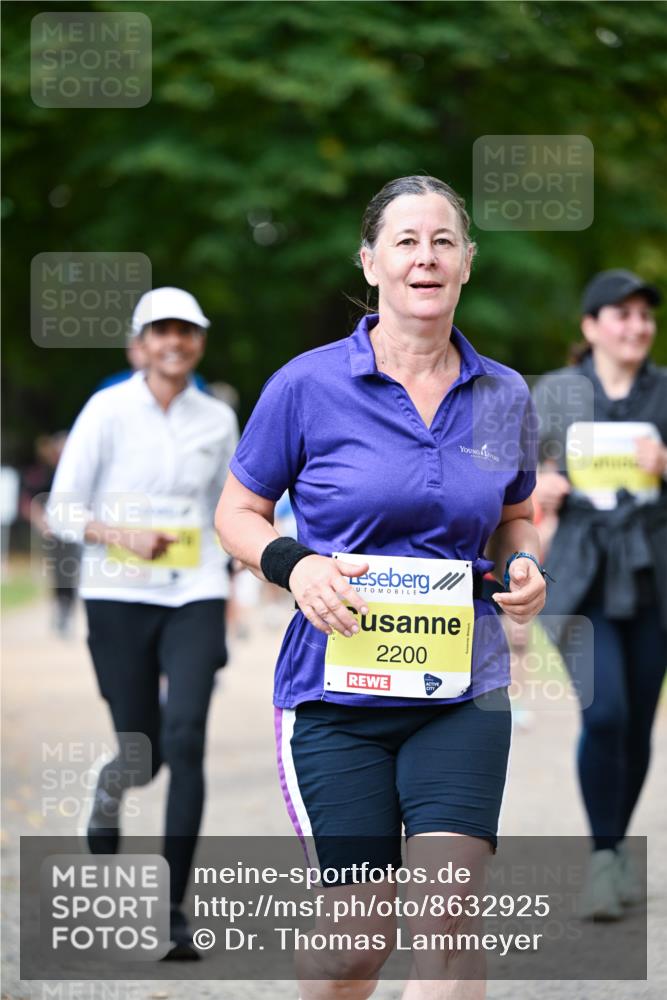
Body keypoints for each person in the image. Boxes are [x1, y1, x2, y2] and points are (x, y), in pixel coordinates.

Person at [216, 175, 546, 999]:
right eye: (405, 241)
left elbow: (516, 516)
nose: (424, 257)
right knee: (354, 947)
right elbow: (236, 512)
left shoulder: (503, 393)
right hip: (335, 698)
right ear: (370, 262)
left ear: (467, 262)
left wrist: (524, 567)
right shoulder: (305, 385)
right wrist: (299, 567)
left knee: (448, 923)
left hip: (461, 687)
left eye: (442, 241)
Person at [47, 286, 238, 958]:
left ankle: (173, 910)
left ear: (198, 343)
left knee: (186, 740)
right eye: (162, 331)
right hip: (117, 595)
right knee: (143, 750)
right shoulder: (107, 410)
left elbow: (228, 512)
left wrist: (232, 588)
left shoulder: (216, 420)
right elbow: (60, 509)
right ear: (140, 342)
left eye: (187, 332)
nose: (175, 342)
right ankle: (110, 788)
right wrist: (118, 535)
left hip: (195, 591)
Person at [533, 269, 666, 921]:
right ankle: (600, 855)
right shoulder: (555, 394)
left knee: (638, 722)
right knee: (605, 712)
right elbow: (507, 481)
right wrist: (539, 488)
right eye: (621, 314)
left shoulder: (665, 391)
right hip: (579, 574)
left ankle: (614, 851)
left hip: (653, 574)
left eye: (644, 315)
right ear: (589, 328)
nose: (636, 326)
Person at [21, 432, 80, 636]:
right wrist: (41, 523)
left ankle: (68, 608)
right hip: (52, 531)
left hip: (74, 530)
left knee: (72, 570)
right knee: (59, 571)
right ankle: (61, 607)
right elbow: (31, 501)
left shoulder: (75, 474)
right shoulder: (44, 474)